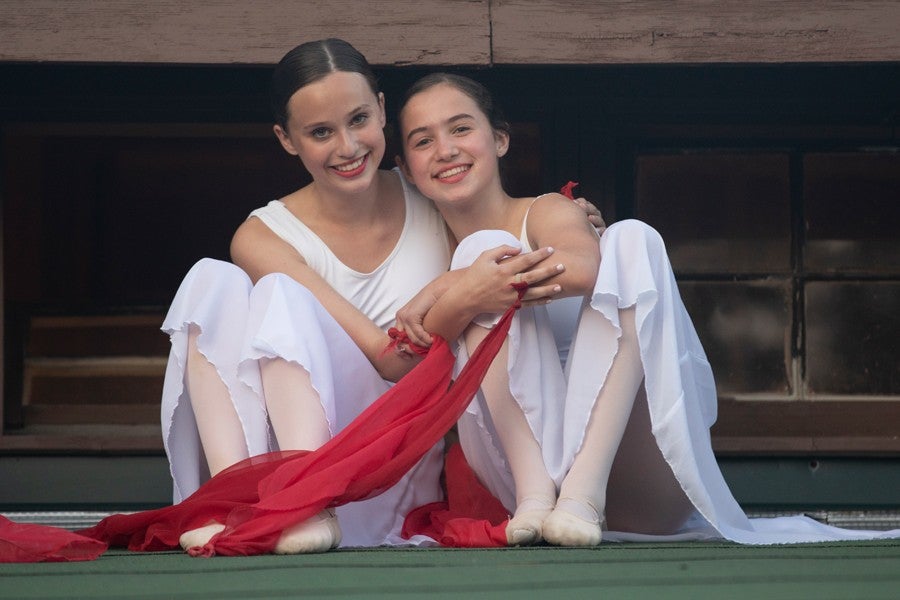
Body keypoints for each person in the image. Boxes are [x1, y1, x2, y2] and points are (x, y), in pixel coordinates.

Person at [395, 72, 900, 546]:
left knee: (633, 237)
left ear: (500, 140)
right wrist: (461, 282)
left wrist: (456, 286)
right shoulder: (417, 251)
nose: (446, 150)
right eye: (423, 140)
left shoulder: (546, 211)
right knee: (479, 247)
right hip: (523, 479)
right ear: (407, 169)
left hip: (633, 480)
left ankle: (582, 494)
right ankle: (540, 497)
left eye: (461, 128)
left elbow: (585, 267)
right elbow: (401, 360)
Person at [161, 39, 603, 554]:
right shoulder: (263, 236)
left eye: (358, 120)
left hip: (388, 466)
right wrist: (460, 294)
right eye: (321, 132)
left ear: (382, 108)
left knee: (272, 292)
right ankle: (237, 500)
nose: (347, 147)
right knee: (210, 280)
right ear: (286, 139)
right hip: (293, 456)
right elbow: (387, 356)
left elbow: (501, 236)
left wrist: (573, 218)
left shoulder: (432, 194)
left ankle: (306, 506)